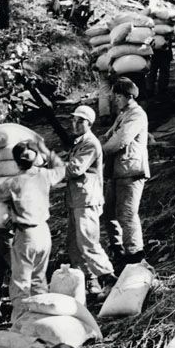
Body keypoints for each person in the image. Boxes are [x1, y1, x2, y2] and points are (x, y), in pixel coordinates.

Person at [0, 139, 65, 322]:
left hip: (26, 234)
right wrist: (45, 149)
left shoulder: (13, 183)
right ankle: (42, 319)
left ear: (16, 162)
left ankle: (21, 322)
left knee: (21, 283)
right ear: (35, 158)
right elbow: (61, 168)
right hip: (44, 232)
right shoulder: (43, 175)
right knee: (39, 279)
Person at [65, 105, 116, 296]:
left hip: (86, 200)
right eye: (74, 120)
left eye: (81, 121)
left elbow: (75, 169)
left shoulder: (90, 144)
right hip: (77, 200)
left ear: (90, 123)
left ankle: (109, 277)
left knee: (88, 242)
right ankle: (89, 280)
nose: (75, 124)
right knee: (74, 244)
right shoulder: (79, 143)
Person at [100, 77, 149, 267]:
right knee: (109, 213)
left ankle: (135, 255)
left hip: (131, 171)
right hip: (117, 171)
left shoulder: (136, 115)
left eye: (118, 96)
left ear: (129, 96)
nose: (115, 100)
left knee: (127, 214)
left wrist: (99, 151)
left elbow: (120, 140)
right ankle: (118, 250)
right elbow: (109, 135)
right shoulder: (123, 114)